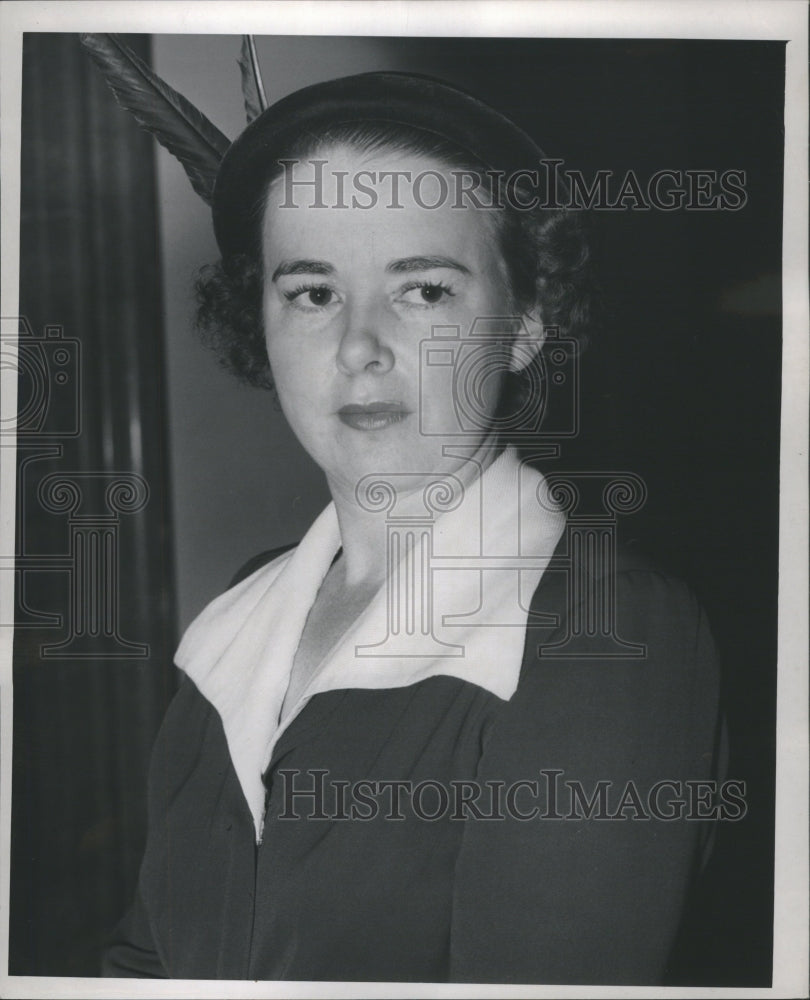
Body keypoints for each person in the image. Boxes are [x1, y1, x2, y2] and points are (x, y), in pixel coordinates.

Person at [94, 65, 724, 984]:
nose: (358, 347)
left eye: (423, 290)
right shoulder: (244, 607)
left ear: (524, 325)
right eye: (312, 292)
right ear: (258, 324)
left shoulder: (611, 631)